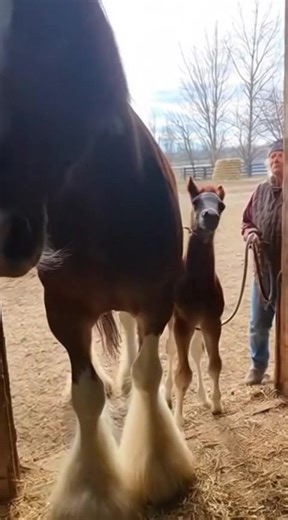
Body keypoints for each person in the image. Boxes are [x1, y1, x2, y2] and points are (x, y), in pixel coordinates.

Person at [241, 138, 283, 385]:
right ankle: (258, 368)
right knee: (258, 324)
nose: (276, 159)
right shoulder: (259, 192)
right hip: (263, 270)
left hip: (286, 273)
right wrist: (251, 234)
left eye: (281, 156)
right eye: (272, 156)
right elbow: (247, 222)